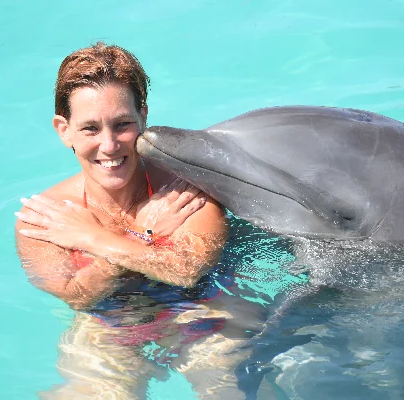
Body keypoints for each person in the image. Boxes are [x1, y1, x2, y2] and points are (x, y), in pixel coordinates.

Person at [15, 42, 264, 399]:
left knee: (233, 388)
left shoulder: (185, 189)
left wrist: (93, 238)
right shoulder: (45, 217)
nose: (109, 144)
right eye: (89, 128)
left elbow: (186, 270)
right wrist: (143, 236)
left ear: (143, 117)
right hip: (112, 326)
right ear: (63, 129)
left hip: (203, 310)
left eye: (122, 124)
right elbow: (77, 296)